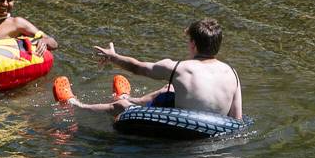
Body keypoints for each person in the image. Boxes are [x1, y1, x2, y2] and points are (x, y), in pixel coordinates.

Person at [53, 18, 243, 120]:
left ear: (193, 43)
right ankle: (129, 97)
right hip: (213, 131)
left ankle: (75, 105)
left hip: (182, 131)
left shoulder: (179, 68)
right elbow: (237, 119)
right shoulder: (232, 74)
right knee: (169, 89)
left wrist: (113, 57)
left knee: (122, 108)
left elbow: (138, 68)